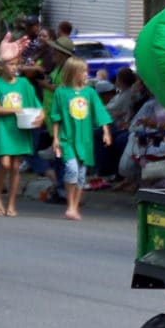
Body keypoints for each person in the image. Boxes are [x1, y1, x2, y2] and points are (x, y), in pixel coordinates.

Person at [47, 57, 110, 220]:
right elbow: (56, 117)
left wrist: (106, 131)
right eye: (83, 71)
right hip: (67, 139)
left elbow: (100, 112)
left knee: (81, 175)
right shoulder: (61, 93)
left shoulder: (90, 92)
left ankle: (75, 207)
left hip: (85, 140)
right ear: (73, 73)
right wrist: (55, 139)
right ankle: (69, 205)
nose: (86, 74)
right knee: (72, 170)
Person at [0, 44, 42, 217]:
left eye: (17, 64)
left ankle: (11, 203)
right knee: (4, 163)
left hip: (20, 128)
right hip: (3, 129)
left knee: (16, 166)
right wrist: (16, 110)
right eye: (11, 64)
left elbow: (37, 106)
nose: (14, 68)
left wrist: (40, 116)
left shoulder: (24, 84)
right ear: (2, 65)